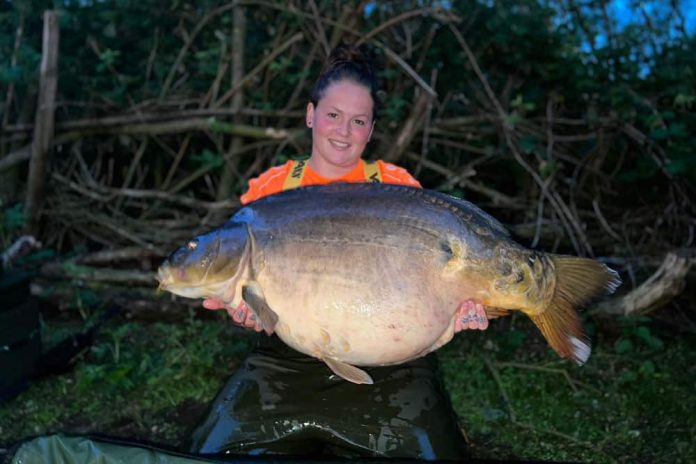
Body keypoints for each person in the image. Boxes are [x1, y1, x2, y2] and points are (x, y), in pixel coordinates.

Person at [187, 45, 488, 461]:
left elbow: (432, 282)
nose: (343, 132)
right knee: (210, 454)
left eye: (358, 121)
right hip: (285, 363)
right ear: (311, 114)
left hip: (392, 367)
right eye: (333, 115)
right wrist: (246, 311)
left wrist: (462, 305)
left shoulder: (396, 187)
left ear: (370, 129)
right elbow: (246, 288)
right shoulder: (269, 191)